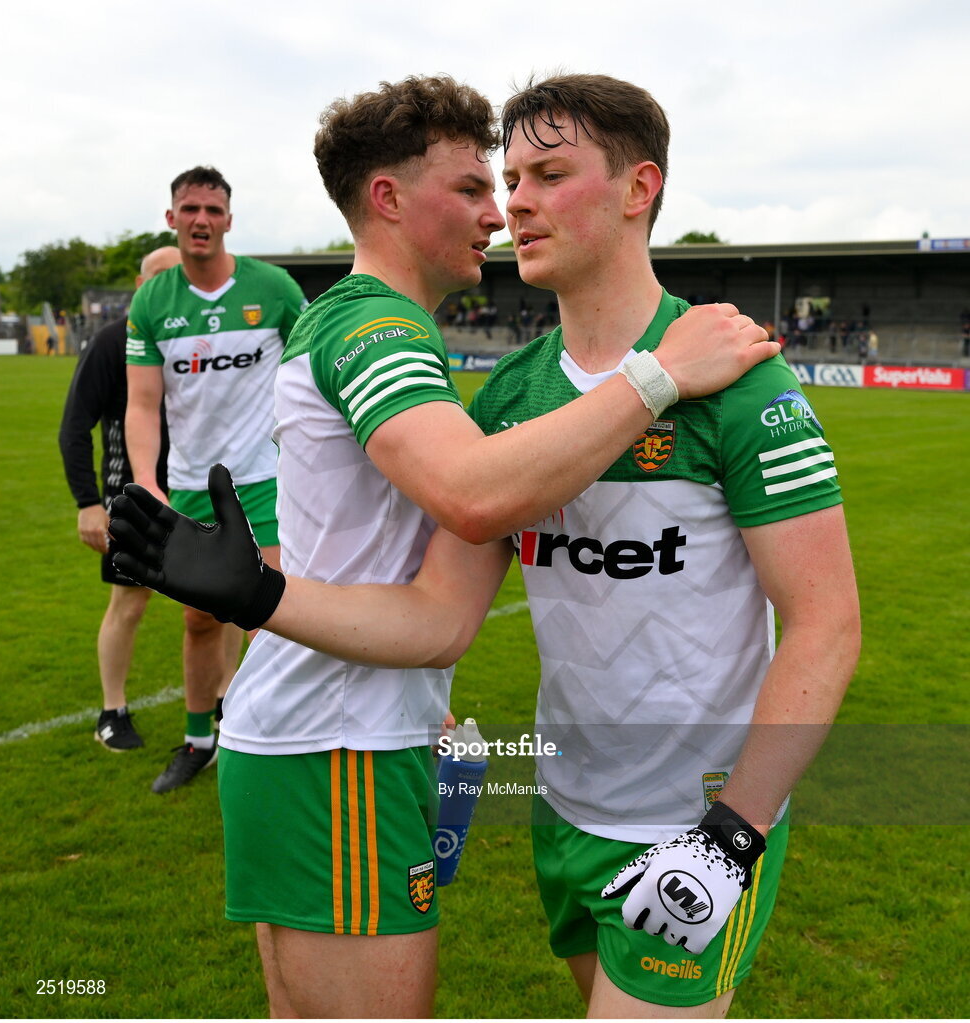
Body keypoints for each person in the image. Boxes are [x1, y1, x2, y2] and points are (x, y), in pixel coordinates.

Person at [109, 73, 781, 1017]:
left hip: (340, 728)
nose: (499, 214)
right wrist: (661, 374)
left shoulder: (371, 322)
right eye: (475, 188)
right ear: (388, 198)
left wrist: (265, 597)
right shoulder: (374, 321)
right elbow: (472, 494)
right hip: (336, 738)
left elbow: (438, 619)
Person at [124, 166, 307, 793]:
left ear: (229, 219)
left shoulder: (274, 288)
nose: (201, 219)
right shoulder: (152, 300)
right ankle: (200, 740)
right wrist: (145, 480)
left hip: (264, 480)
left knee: (274, 614)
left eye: (212, 209)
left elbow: (311, 371)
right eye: (189, 208)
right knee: (200, 620)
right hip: (188, 487)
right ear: (171, 219)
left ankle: (275, 739)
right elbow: (143, 404)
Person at [59, 245, 183, 750]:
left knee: (222, 606)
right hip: (133, 498)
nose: (167, 288)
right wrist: (88, 502)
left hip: (198, 492)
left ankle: (222, 702)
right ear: (139, 286)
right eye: (158, 278)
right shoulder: (114, 341)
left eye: (177, 279)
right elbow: (74, 425)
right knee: (129, 607)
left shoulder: (196, 340)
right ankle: (112, 711)